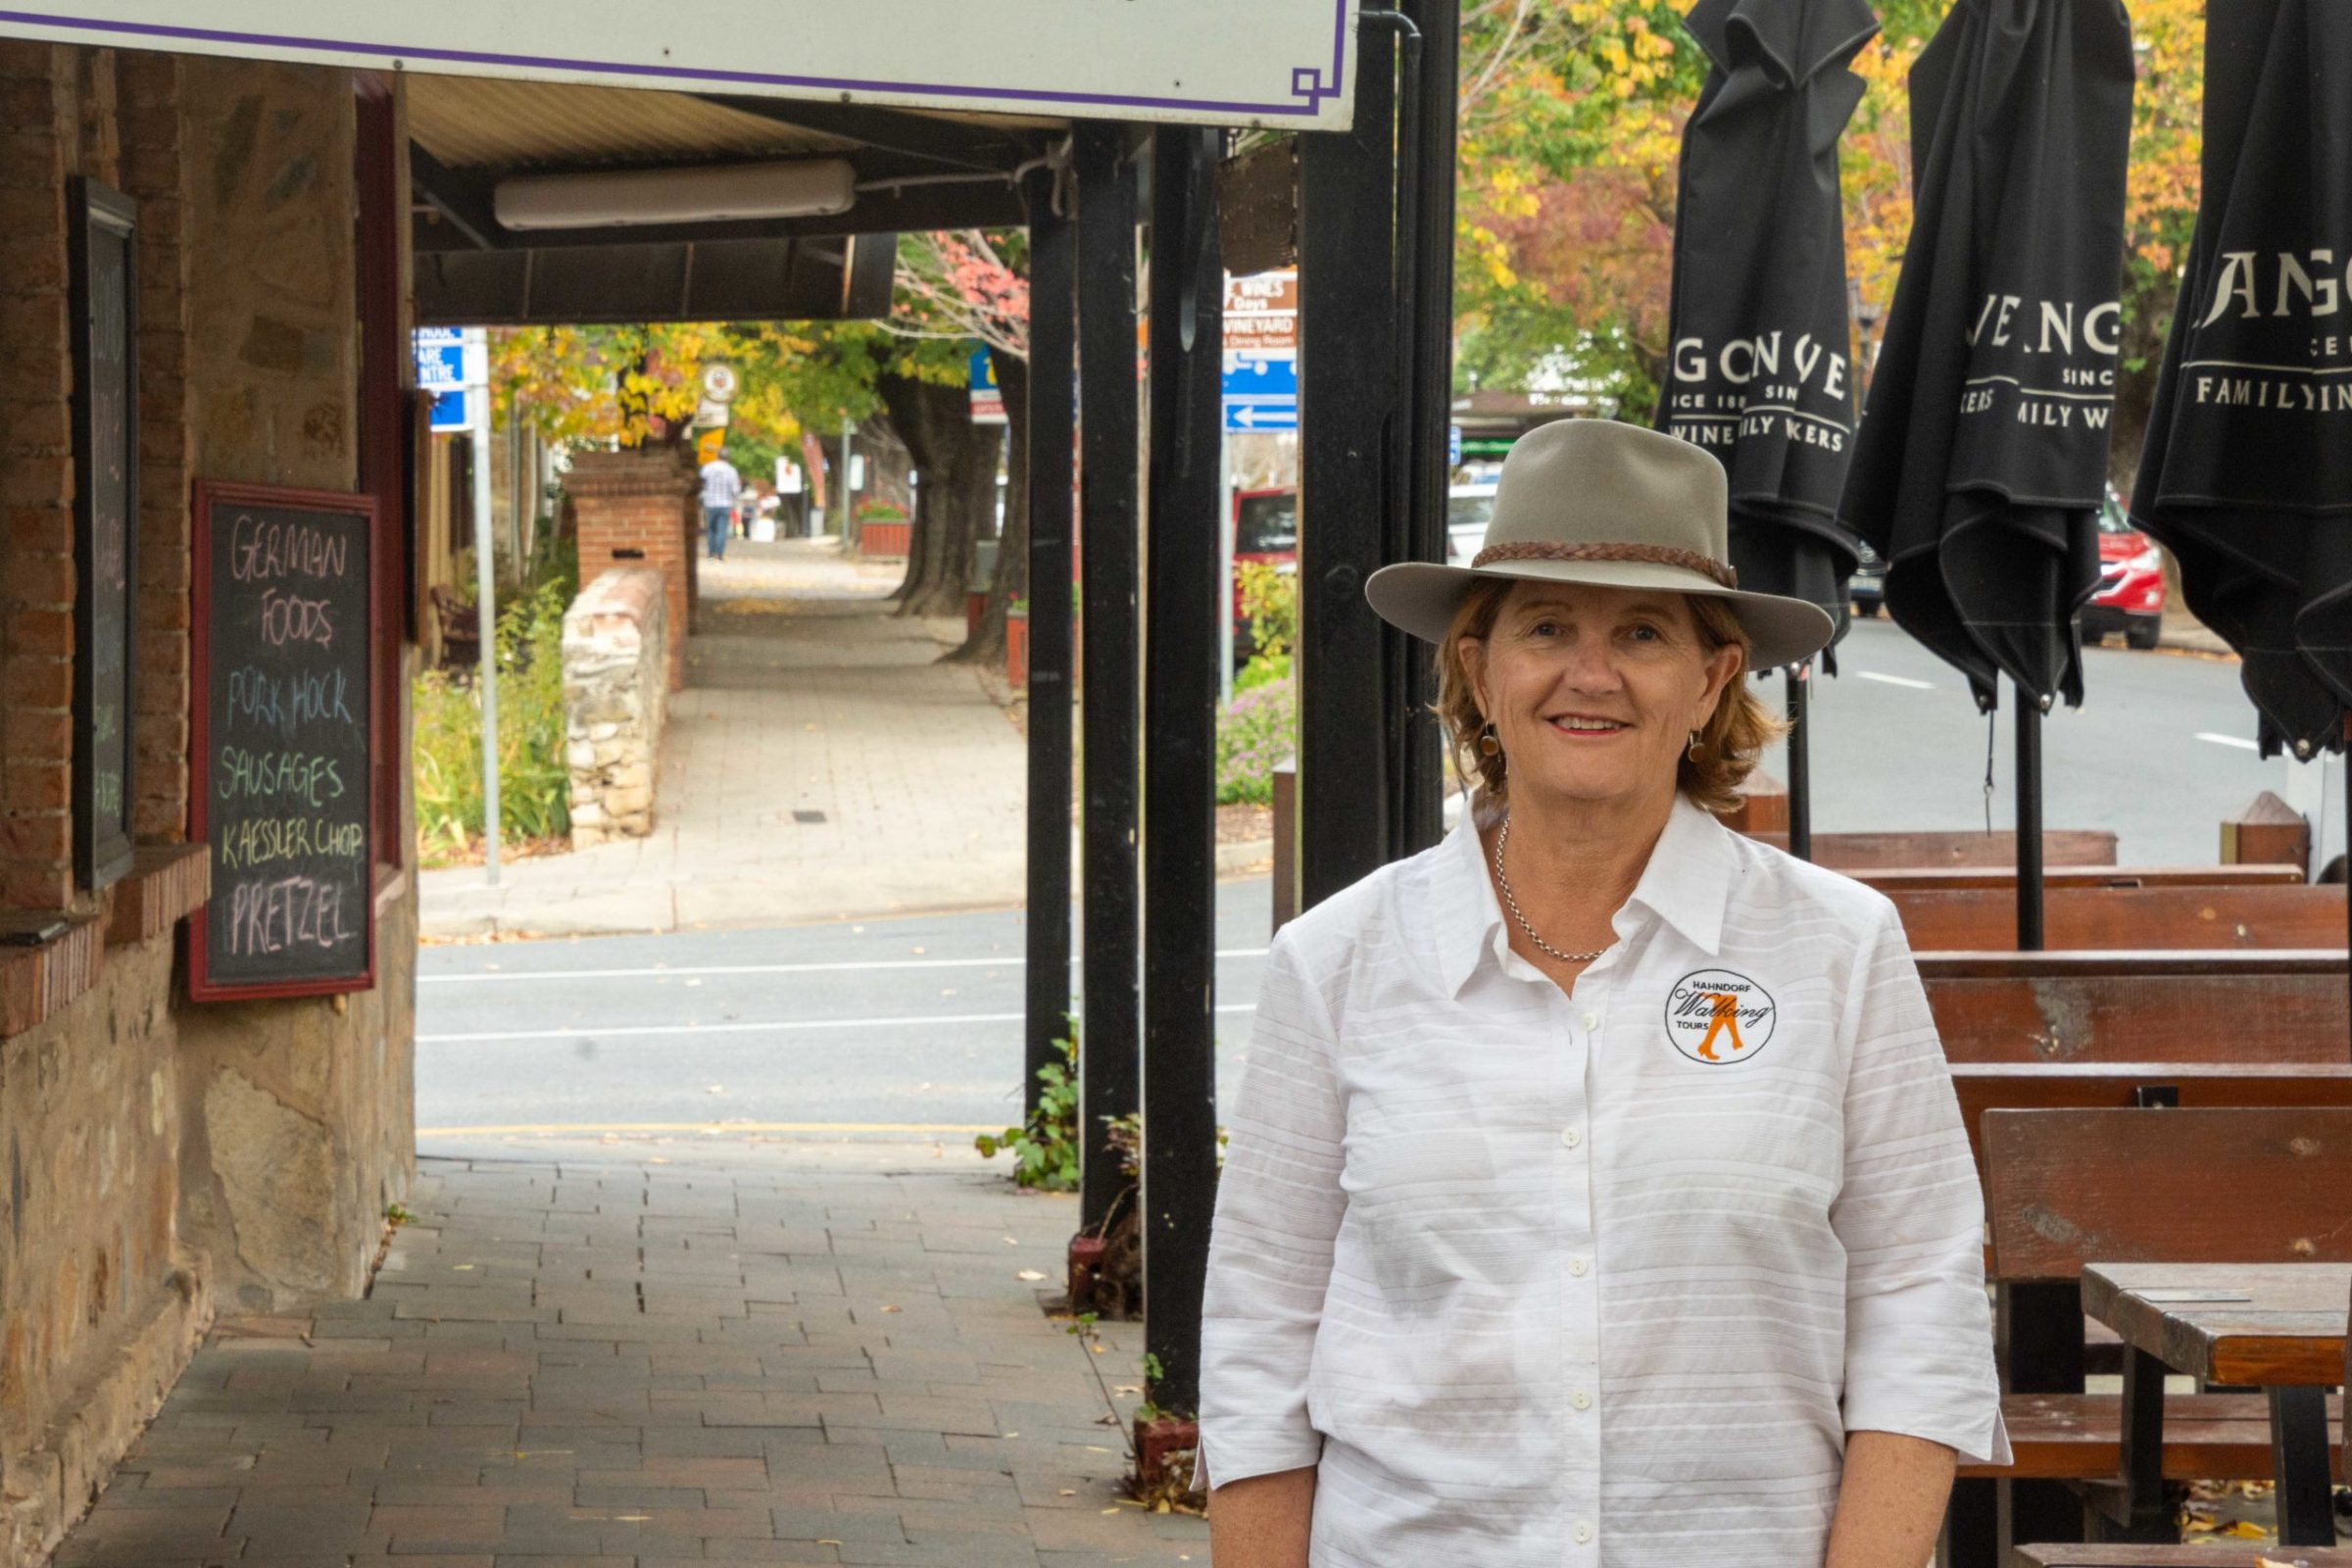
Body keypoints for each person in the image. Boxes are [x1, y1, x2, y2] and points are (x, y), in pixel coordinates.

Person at [1199, 419, 2006, 1568]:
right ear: (1479, 671)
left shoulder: (1840, 948)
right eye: (1545, 627)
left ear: (1712, 677)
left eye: (1642, 631)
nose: (1593, 673)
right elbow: (1258, 1346)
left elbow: (1918, 1303)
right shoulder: (1337, 962)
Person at [700, 449, 742, 561]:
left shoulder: (708, 468)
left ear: (717, 456)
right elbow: (735, 490)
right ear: (728, 458)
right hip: (725, 503)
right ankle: (719, 555)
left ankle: (711, 554)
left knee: (711, 529)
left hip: (710, 502)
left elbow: (701, 483)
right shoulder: (731, 471)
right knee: (722, 530)